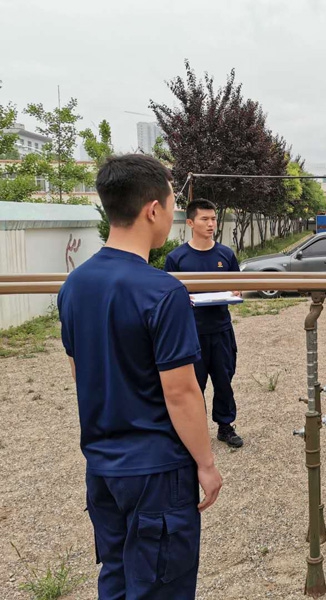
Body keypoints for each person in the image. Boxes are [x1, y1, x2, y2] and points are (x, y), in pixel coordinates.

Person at [57, 154, 223, 599]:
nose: (174, 214)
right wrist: (206, 465)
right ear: (152, 209)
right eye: (172, 205)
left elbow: (80, 372)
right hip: (157, 471)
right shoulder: (163, 291)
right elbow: (182, 392)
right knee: (160, 586)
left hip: (103, 467)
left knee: (116, 577)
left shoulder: (74, 285)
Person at [165, 199, 244, 448]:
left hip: (221, 330)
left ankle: (225, 426)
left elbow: (237, 287)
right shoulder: (176, 258)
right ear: (190, 222)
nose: (211, 224)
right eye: (205, 219)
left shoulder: (225, 254)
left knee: (224, 381)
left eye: (213, 219)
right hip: (191, 333)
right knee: (192, 385)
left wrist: (235, 292)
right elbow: (169, 295)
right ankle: (192, 431)